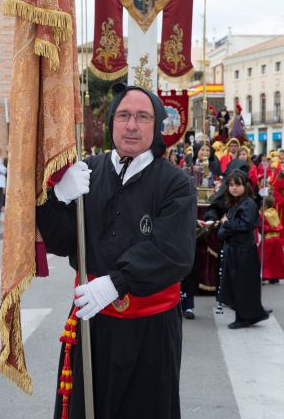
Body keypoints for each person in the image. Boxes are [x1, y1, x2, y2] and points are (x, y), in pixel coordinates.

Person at [37, 84, 197, 419]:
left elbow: (174, 252)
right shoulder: (88, 172)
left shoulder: (175, 184)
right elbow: (62, 241)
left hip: (150, 328)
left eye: (143, 116)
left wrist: (117, 282)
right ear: (112, 123)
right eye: (124, 115)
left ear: (156, 127)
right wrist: (58, 199)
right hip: (93, 320)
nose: (132, 125)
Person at [217, 171, 269, 329]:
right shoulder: (235, 203)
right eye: (231, 185)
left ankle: (244, 317)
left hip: (244, 251)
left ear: (245, 186)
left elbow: (244, 225)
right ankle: (249, 314)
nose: (233, 188)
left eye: (237, 185)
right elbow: (228, 228)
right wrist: (225, 226)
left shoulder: (249, 204)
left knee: (243, 285)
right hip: (234, 250)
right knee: (236, 284)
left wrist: (226, 225)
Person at [258, 195, 284, 284]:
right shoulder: (274, 212)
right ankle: (275, 277)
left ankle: (265, 276)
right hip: (276, 239)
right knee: (275, 259)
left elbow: (261, 228)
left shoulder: (263, 215)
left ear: (265, 206)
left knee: (264, 257)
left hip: (268, 239)